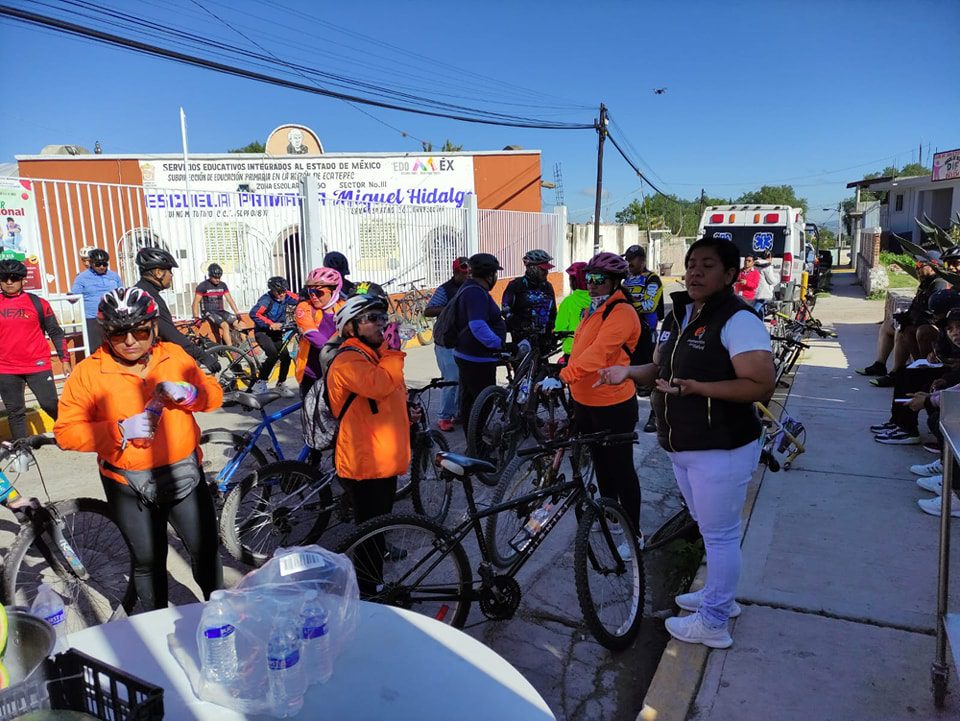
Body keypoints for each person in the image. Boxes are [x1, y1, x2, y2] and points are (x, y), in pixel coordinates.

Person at [595, 235, 775, 649]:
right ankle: (718, 597)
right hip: (683, 446)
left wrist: (698, 387)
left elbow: (760, 385)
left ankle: (714, 620)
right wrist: (627, 372)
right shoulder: (679, 316)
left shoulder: (738, 319)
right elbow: (657, 366)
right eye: (692, 263)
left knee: (721, 534)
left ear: (730, 274)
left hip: (722, 447)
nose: (695, 271)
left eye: (707, 265)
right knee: (709, 526)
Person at [54, 287, 224, 612]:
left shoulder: (174, 355)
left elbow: (212, 394)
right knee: (147, 561)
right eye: (119, 334)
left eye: (141, 331)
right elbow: (65, 432)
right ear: (106, 334)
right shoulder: (88, 373)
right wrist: (117, 430)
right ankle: (156, 624)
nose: (131, 341)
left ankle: (220, 615)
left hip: (182, 474)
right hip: (127, 483)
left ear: (154, 328)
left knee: (205, 550)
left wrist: (190, 392)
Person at [541, 252, 641, 557]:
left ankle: (634, 534)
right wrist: (563, 370)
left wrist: (564, 376)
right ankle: (610, 514)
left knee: (621, 468)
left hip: (614, 403)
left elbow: (598, 353)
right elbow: (580, 349)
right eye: (589, 279)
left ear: (614, 283)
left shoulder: (621, 313)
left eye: (599, 280)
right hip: (585, 402)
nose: (592, 285)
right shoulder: (591, 309)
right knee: (600, 462)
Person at [325, 294, 411, 593]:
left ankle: (373, 585)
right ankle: (368, 591)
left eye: (381, 318)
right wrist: (393, 352)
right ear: (350, 327)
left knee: (377, 529)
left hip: (381, 460)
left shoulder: (372, 356)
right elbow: (380, 385)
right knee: (370, 535)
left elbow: (392, 391)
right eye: (370, 319)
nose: (380, 324)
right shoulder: (348, 360)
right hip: (364, 463)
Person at [0, 259, 70, 439]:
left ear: (23, 280)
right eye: (4, 278)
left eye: (14, 278)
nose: (9, 282)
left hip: (37, 365)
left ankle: (70, 433)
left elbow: (56, 332)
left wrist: (65, 359)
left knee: (49, 404)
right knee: (15, 411)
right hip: (6, 368)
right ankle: (21, 449)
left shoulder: (39, 303)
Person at [859, 252, 949, 387]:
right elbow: (916, 306)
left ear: (933, 266)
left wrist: (910, 321)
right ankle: (880, 364)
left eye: (920, 265)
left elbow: (932, 312)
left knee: (903, 331)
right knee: (888, 325)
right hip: (920, 322)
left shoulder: (939, 283)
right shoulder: (925, 283)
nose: (916, 268)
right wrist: (905, 317)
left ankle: (898, 372)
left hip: (933, 326)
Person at [133, 246, 217, 372]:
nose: (171, 275)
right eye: (170, 271)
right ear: (158, 273)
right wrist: (202, 356)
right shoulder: (149, 298)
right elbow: (170, 335)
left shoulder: (138, 291)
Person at [452, 253, 507, 434]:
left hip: (466, 354)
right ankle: (478, 446)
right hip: (477, 358)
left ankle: (473, 443)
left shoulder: (470, 288)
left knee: (470, 403)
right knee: (483, 403)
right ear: (489, 275)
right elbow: (477, 325)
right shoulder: (475, 292)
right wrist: (498, 343)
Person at [424, 257, 470, 431]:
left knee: (463, 379)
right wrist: (451, 307)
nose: (466, 277)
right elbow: (428, 311)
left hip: (463, 341)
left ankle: (459, 413)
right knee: (451, 380)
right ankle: (444, 417)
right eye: (463, 273)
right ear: (455, 272)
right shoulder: (445, 290)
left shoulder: (471, 288)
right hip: (445, 342)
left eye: (469, 274)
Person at [621, 244, 663, 432]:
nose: (628, 262)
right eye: (627, 258)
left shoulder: (652, 279)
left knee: (652, 377)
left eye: (633, 258)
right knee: (627, 374)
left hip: (647, 332)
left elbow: (649, 305)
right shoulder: (626, 280)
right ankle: (630, 413)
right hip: (628, 333)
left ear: (642, 260)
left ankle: (655, 416)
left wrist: (627, 306)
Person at [294, 267, 342, 399]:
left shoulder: (343, 307)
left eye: (318, 292)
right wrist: (339, 352)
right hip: (311, 373)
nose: (313, 296)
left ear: (334, 291)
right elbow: (311, 334)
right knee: (311, 417)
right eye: (310, 292)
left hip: (337, 372)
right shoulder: (304, 307)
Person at [250, 276, 299, 396]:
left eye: (284, 291)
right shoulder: (266, 300)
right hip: (263, 332)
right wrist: (270, 324)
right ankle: (260, 383)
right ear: (272, 290)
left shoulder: (286, 295)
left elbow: (300, 300)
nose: (282, 294)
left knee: (286, 358)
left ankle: (280, 384)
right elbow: (254, 313)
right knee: (273, 355)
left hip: (277, 332)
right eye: (279, 292)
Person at [501, 249, 557, 346]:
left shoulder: (548, 287)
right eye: (543, 269)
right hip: (522, 343)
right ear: (531, 268)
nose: (546, 272)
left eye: (547, 269)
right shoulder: (516, 285)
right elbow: (506, 309)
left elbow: (553, 312)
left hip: (543, 343)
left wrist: (551, 333)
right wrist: (519, 325)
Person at [70, 248, 121, 349]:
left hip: (113, 316)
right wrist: (70, 297)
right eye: (98, 265)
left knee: (115, 347)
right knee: (96, 348)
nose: (102, 267)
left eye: (104, 264)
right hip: (93, 318)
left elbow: (121, 292)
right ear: (91, 263)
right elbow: (74, 296)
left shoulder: (114, 276)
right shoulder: (82, 278)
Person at [192, 263, 241, 346]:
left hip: (220, 311)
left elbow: (230, 300)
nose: (217, 279)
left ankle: (247, 348)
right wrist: (196, 317)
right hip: (208, 312)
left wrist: (237, 312)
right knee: (225, 325)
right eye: (215, 277)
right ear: (210, 275)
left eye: (219, 277)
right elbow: (195, 303)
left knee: (239, 324)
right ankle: (231, 350)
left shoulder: (223, 285)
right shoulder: (203, 286)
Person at [553, 261, 591, 364]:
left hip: (572, 353)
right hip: (592, 353)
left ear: (575, 281)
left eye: (570, 279)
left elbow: (560, 328)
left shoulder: (568, 302)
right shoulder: (597, 300)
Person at [753, 250, 779, 315]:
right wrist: (777, 279)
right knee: (756, 309)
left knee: (761, 309)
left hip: (756, 289)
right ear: (769, 257)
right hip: (764, 291)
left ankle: (760, 323)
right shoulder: (767, 266)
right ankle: (750, 319)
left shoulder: (755, 264)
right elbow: (771, 280)